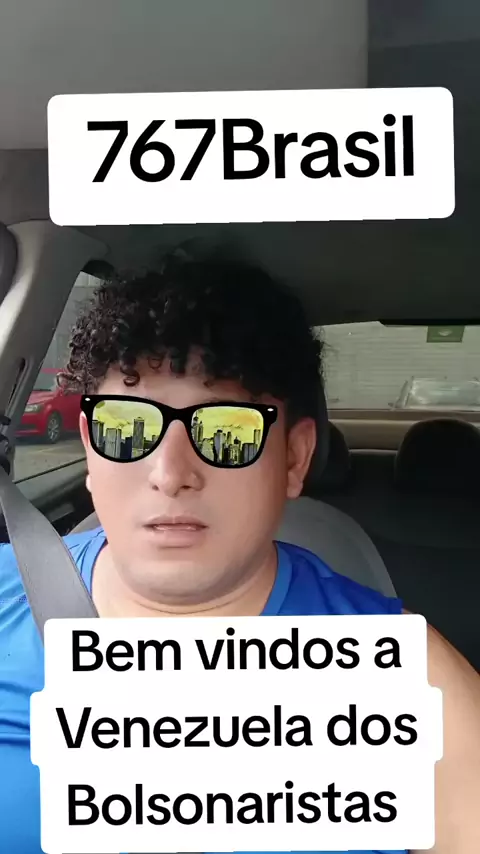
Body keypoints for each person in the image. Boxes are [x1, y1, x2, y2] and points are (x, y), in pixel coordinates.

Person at [0, 253, 479, 854]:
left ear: (295, 459)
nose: (170, 474)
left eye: (227, 431)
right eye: (128, 427)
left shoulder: (412, 681)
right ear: (91, 452)